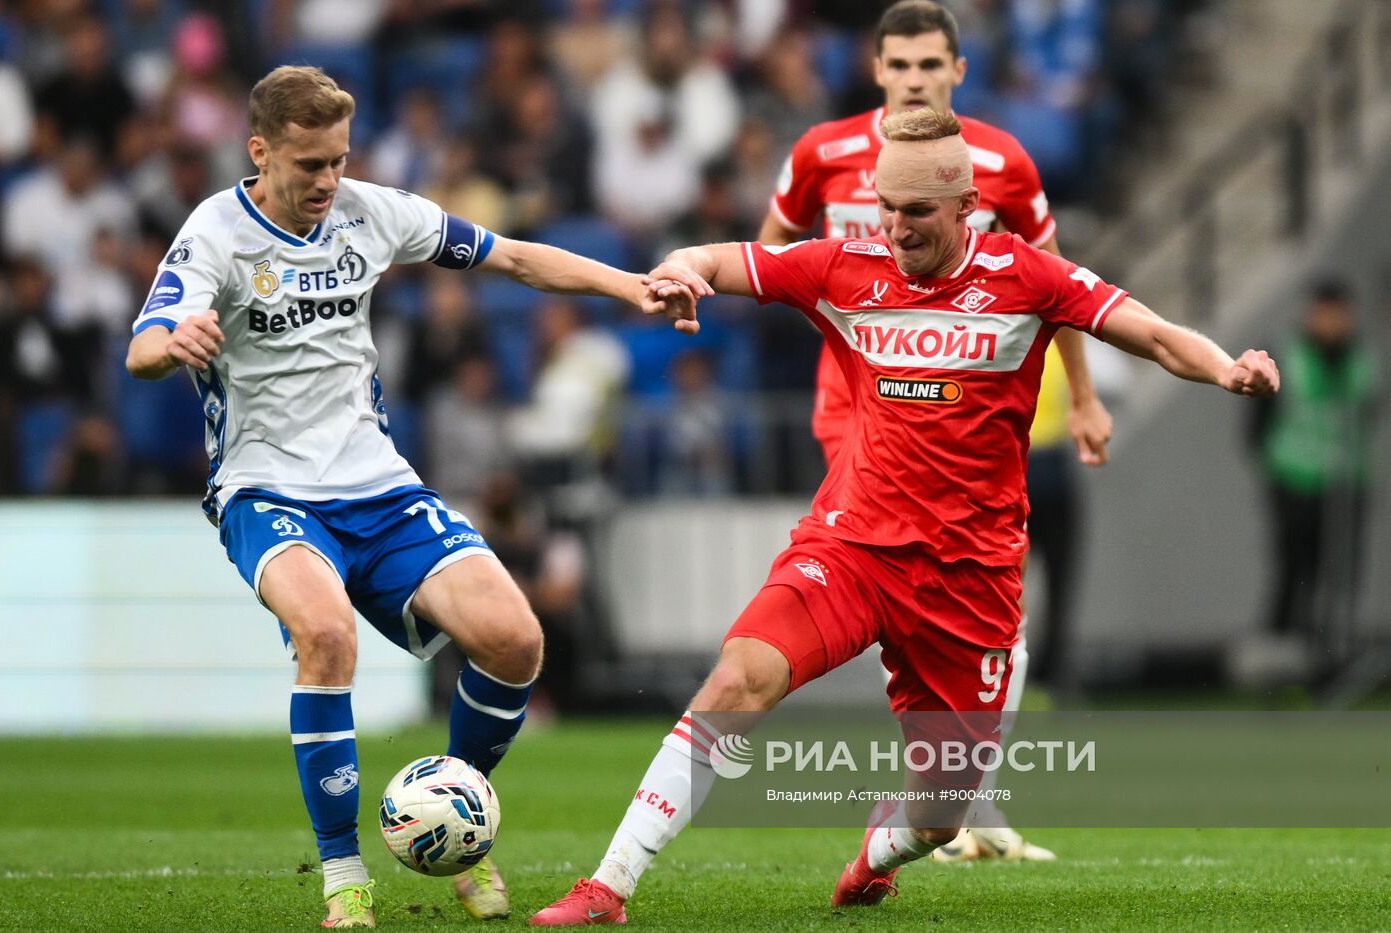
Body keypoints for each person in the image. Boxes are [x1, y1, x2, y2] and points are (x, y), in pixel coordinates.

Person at [531, 107, 1278, 925]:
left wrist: (1226, 368)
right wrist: (681, 269)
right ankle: (609, 883)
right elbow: (725, 258)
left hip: (972, 579)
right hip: (852, 548)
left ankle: (876, 849)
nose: (894, 225)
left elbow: (1153, 333)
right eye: (885, 204)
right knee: (738, 678)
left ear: (966, 209)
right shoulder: (843, 267)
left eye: (916, 211)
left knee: (940, 816)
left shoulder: (1029, 278)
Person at [123, 65, 700, 929]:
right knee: (325, 635)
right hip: (265, 486)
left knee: (514, 638)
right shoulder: (214, 233)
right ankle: (344, 873)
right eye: (309, 163)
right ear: (260, 150)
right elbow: (142, 350)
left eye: (338, 161)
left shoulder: (371, 209)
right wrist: (177, 339)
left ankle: (451, 814)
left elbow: (511, 256)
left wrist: (630, 286)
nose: (327, 181)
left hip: (379, 484)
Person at [756, 0, 1109, 861]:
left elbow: (1058, 289)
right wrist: (857, 339)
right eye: (901, 66)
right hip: (860, 406)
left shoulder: (1002, 163)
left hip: (966, 412)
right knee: (895, 575)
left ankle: (958, 800)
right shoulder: (823, 153)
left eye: (931, 67)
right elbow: (772, 253)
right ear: (876, 70)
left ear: (958, 72)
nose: (915, 79)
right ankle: (944, 804)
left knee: (991, 603)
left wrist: (1086, 398)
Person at [1251, 279, 1380, 681]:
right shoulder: (1287, 357)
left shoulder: (1362, 361)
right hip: (1294, 481)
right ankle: (1280, 666)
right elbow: (1257, 426)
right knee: (1294, 570)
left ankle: (1329, 665)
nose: (1331, 322)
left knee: (1340, 573)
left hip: (1347, 483)